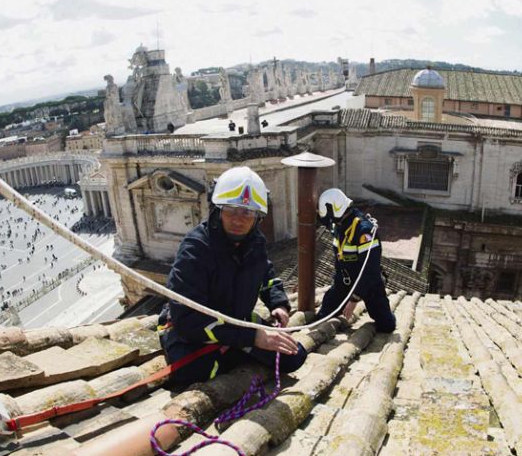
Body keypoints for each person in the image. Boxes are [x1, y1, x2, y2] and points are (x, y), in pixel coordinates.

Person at [158, 166, 307, 389]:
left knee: (294, 356)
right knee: (190, 372)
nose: (239, 219)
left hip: (238, 321)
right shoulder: (195, 249)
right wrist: (251, 339)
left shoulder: (255, 242)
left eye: (247, 212)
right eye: (231, 210)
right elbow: (187, 320)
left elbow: (265, 274)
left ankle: (233, 351)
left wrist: (279, 303)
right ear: (217, 209)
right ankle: (235, 352)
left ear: (257, 217)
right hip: (197, 329)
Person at [314, 188, 396, 332]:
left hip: (368, 283)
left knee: (386, 326)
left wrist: (354, 299)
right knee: (322, 316)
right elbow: (326, 221)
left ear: (334, 210)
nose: (329, 221)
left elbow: (370, 270)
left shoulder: (363, 231)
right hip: (343, 282)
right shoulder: (339, 224)